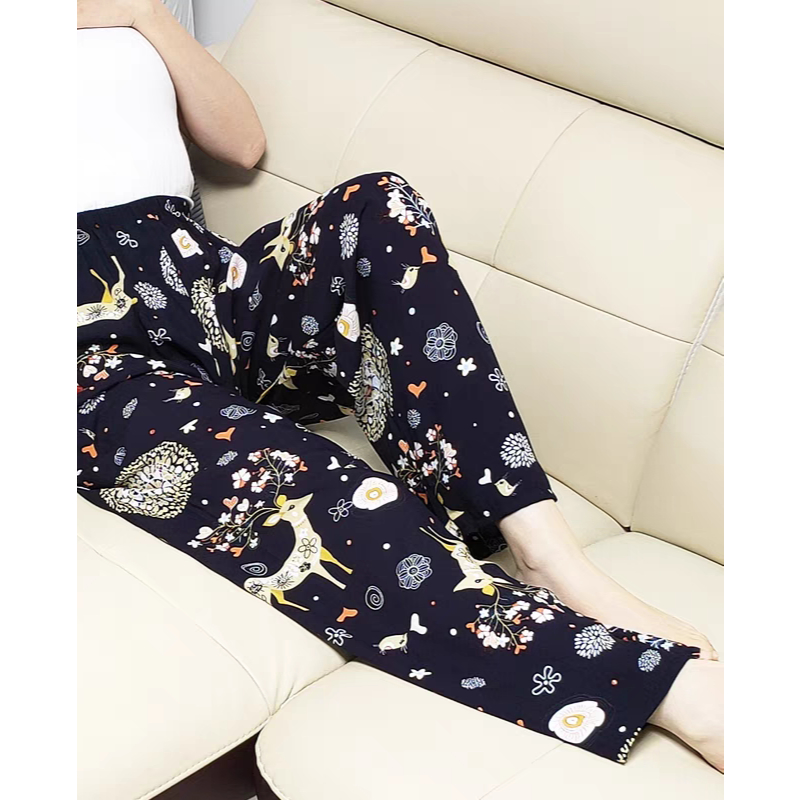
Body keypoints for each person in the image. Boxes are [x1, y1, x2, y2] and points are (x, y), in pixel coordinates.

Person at [76, 0, 723, 770]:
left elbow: (241, 144)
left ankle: (552, 558)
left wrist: (144, 15)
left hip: (206, 284)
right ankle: (658, 687)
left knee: (376, 206)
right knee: (299, 482)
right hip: (81, 348)